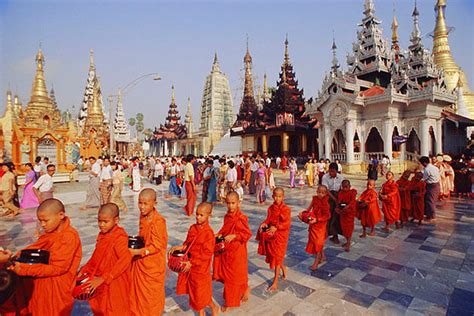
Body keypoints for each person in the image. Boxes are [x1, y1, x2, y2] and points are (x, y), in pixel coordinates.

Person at [5, 199, 82, 315]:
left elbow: (59, 268)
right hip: (43, 284)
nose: (43, 225)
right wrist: (16, 257)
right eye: (40, 221)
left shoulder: (69, 236)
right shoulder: (51, 233)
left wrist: (24, 269)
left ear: (61, 215)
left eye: (45, 221)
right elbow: (35, 249)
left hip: (57, 289)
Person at [79, 203, 132, 315]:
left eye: (105, 222)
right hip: (101, 280)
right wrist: (85, 268)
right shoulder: (102, 235)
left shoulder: (119, 237)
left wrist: (105, 278)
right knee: (101, 308)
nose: (101, 225)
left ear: (116, 220)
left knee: (115, 310)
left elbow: (125, 259)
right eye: (99, 221)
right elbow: (96, 256)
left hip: (115, 280)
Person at [173, 202, 219, 316]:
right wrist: (180, 247)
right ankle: (201, 312)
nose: (198, 217)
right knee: (194, 292)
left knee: (201, 292)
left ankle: (214, 307)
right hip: (190, 265)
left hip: (201, 267)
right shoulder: (193, 228)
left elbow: (206, 255)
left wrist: (192, 263)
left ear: (209, 215)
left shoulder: (209, 234)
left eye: (201, 215)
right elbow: (188, 244)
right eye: (197, 214)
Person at [130, 189, 168, 315]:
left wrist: (138, 252)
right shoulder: (143, 216)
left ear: (154, 203)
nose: (142, 207)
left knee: (151, 297)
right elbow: (143, 235)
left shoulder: (158, 222)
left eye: (145, 204)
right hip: (141, 263)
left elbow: (157, 246)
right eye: (140, 203)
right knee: (138, 295)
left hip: (153, 265)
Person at [213, 192, 252, 312]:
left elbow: (247, 234)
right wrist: (219, 233)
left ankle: (229, 302)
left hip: (238, 251)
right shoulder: (227, 216)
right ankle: (245, 288)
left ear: (239, 203)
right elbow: (225, 229)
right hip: (227, 250)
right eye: (228, 203)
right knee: (234, 275)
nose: (230, 206)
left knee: (232, 277)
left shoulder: (241, 218)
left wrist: (235, 236)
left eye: (233, 203)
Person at [256, 187, 291, 291]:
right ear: (272, 196)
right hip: (272, 234)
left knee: (277, 257)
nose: (277, 198)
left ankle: (275, 281)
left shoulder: (286, 209)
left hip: (281, 235)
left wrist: (277, 227)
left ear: (283, 197)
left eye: (280, 196)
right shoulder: (271, 208)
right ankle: (283, 267)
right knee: (274, 256)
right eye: (275, 196)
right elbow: (268, 219)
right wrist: (264, 224)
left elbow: (287, 223)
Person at [299, 185, 331, 271]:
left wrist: (317, 219)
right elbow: (309, 209)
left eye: (323, 193)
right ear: (316, 191)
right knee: (316, 242)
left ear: (326, 193)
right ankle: (322, 256)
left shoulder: (326, 204)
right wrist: (303, 215)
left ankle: (316, 261)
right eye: (319, 192)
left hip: (321, 226)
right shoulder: (315, 199)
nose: (320, 194)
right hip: (313, 224)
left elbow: (328, 216)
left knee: (318, 242)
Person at [321, 162, 345, 244]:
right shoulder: (325, 177)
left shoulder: (341, 178)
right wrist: (334, 199)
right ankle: (325, 234)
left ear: (337, 171)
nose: (331, 173)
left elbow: (342, 189)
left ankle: (335, 235)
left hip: (339, 198)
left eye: (333, 171)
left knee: (337, 217)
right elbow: (326, 190)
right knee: (328, 216)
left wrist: (339, 200)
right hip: (329, 199)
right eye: (330, 171)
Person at [336, 180, 357, 252]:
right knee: (344, 228)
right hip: (343, 213)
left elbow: (353, 201)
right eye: (343, 187)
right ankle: (347, 241)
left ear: (350, 186)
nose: (345, 189)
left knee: (349, 228)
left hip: (349, 213)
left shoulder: (352, 192)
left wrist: (348, 206)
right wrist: (337, 208)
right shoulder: (341, 193)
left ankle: (348, 243)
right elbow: (339, 201)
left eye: (346, 187)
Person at [419, 156, 440, 222]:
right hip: (436, 185)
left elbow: (424, 179)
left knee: (430, 201)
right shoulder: (435, 167)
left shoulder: (427, 169)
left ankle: (432, 216)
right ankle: (429, 215)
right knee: (429, 200)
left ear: (424, 163)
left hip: (432, 186)